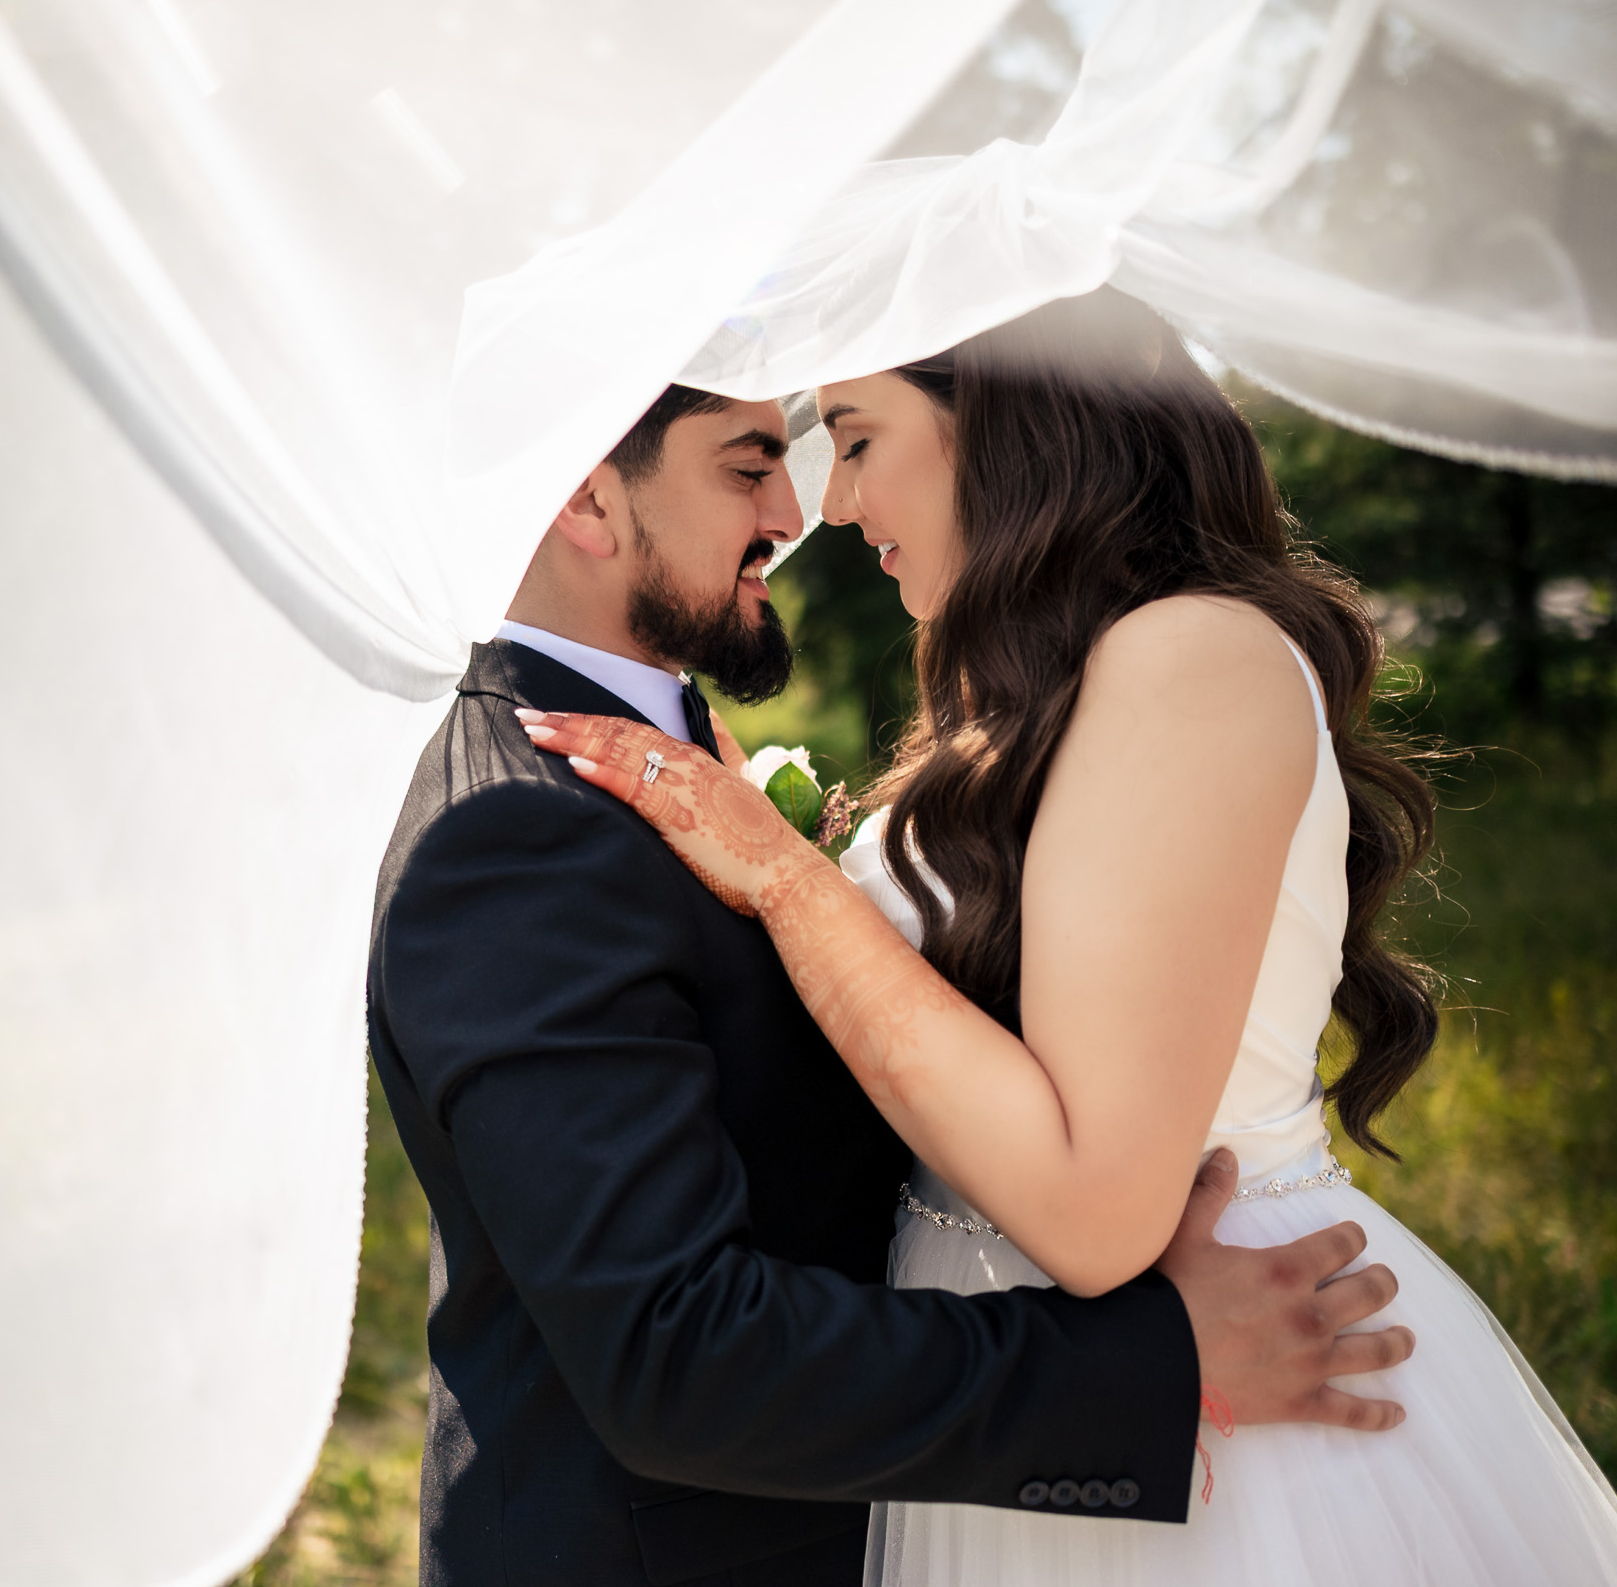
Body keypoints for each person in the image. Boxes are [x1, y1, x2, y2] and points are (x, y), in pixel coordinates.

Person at [520, 287, 1617, 1586]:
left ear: (1005, 424)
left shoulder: (1194, 655)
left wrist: (791, 881)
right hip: (1036, 1399)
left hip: (1232, 1405)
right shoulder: (1025, 693)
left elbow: (1088, 1208)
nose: (830, 507)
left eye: (857, 437)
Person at [368, 359, 1419, 1587]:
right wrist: (1150, 1364)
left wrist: (790, 877)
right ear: (591, 503)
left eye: (842, 448)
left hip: (987, 1480)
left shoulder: (664, 754)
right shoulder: (518, 827)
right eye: (756, 469)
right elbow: (677, 1357)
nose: (801, 514)